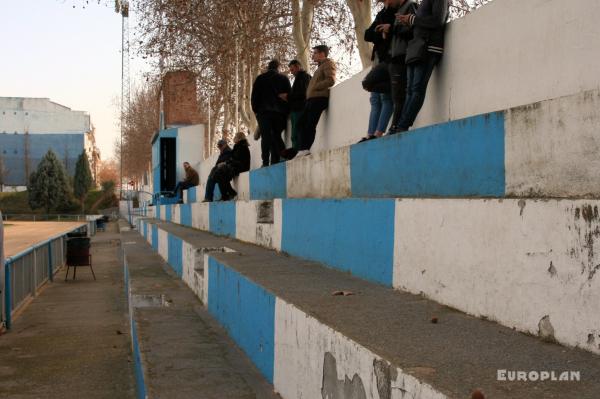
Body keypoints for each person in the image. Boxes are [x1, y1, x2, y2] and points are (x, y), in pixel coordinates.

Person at [393, 0, 448, 133]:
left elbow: (437, 20)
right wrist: (410, 22)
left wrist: (412, 19)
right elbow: (422, 23)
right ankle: (400, 124)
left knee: (417, 88)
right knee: (410, 89)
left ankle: (402, 125)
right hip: (417, 48)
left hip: (428, 48)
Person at [359, 0, 398, 142]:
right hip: (378, 58)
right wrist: (380, 34)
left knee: (385, 97)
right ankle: (370, 134)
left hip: (388, 58)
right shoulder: (381, 13)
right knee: (375, 98)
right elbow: (367, 35)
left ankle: (378, 133)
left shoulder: (397, 10)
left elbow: (393, 32)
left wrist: (383, 32)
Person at [296, 45, 336, 157]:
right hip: (312, 99)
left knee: (310, 124)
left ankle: (305, 149)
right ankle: (302, 148)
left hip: (319, 98)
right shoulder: (320, 67)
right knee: (300, 124)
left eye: (315, 53)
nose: (313, 56)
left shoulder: (328, 64)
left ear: (322, 53)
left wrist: (315, 87)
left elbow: (331, 80)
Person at [251, 59, 291, 167]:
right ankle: (276, 160)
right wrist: (286, 111)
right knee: (276, 135)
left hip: (263, 112)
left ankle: (265, 162)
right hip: (280, 113)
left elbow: (254, 97)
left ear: (268, 67)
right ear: (278, 67)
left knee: (266, 137)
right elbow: (289, 96)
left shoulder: (260, 78)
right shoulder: (283, 78)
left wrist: (256, 111)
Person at [387, 0, 418, 134]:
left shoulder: (410, 5)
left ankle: (396, 127)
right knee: (396, 94)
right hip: (396, 57)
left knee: (400, 95)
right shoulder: (399, 9)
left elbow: (414, 29)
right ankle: (396, 126)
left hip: (403, 56)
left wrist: (393, 29)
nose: (387, 2)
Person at [213, 132, 251, 201]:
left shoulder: (242, 146)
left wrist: (225, 163)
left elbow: (236, 160)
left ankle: (228, 194)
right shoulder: (238, 146)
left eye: (235, 136)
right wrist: (226, 163)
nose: (234, 138)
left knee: (220, 172)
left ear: (239, 138)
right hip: (236, 166)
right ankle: (228, 194)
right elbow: (233, 159)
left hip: (241, 167)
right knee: (218, 174)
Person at [288, 60, 311, 150]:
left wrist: (288, 96)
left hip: (300, 109)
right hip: (296, 109)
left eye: (292, 69)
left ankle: (298, 150)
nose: (291, 72)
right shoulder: (300, 77)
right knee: (295, 133)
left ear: (298, 67)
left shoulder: (303, 77)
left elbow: (303, 93)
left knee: (297, 132)